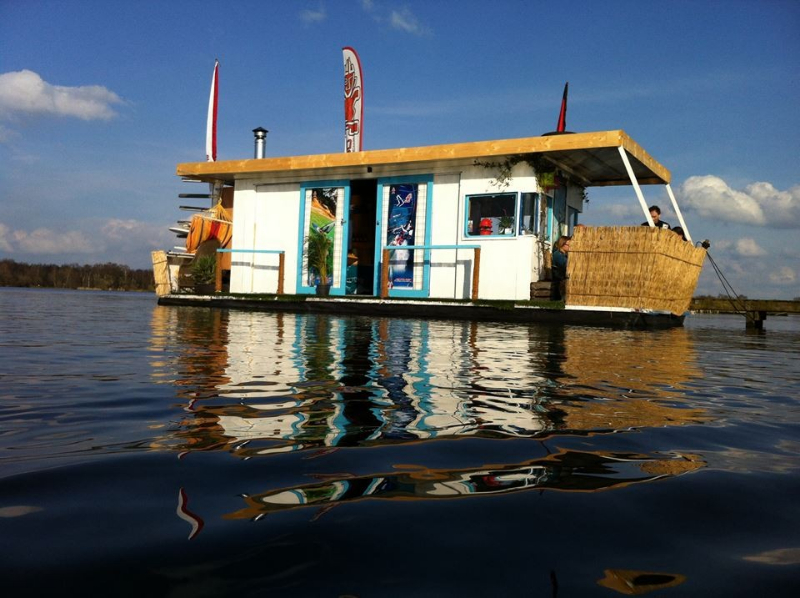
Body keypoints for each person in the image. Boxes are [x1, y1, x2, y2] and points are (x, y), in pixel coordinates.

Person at [551, 235, 570, 299]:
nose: (570, 247)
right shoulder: (558, 255)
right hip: (559, 284)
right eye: (568, 245)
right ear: (563, 244)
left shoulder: (563, 255)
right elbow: (566, 265)